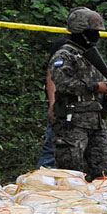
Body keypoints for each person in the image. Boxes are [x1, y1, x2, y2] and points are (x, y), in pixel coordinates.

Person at [49, 7, 107, 180]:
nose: (96, 36)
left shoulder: (91, 56)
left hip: (95, 121)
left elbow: (103, 88)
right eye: (92, 32)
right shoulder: (65, 55)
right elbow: (63, 83)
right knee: (71, 171)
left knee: (105, 170)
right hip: (72, 121)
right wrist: (96, 87)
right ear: (80, 32)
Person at [38, 34, 69, 169]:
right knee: (52, 148)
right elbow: (52, 76)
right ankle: (40, 181)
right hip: (63, 106)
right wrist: (53, 103)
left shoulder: (87, 46)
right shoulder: (64, 46)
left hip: (83, 110)